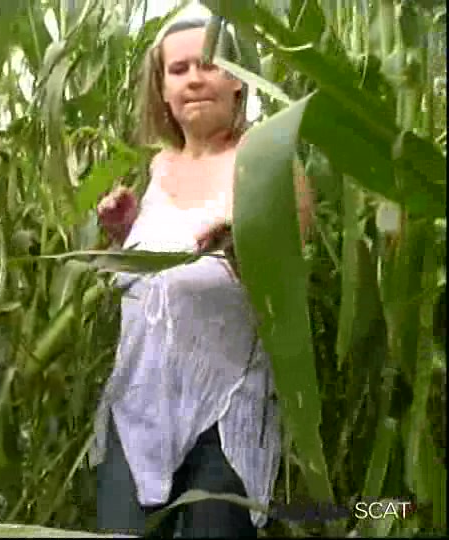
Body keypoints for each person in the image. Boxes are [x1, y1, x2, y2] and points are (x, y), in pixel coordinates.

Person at [89, 8, 313, 539]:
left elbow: (291, 272)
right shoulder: (154, 167)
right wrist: (123, 234)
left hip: (227, 401)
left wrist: (241, 246)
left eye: (209, 64)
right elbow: (155, 277)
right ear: (163, 90)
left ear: (238, 79)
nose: (193, 79)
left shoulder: (269, 161)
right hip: (139, 400)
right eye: (178, 69)